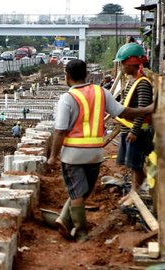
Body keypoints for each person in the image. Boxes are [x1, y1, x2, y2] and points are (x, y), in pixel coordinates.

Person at [46, 59, 153, 242]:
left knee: (77, 192)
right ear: (86, 74)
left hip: (73, 154)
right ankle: (64, 219)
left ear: (67, 76)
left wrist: (53, 156)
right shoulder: (101, 92)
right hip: (95, 153)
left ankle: (81, 231)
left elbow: (60, 130)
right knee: (83, 190)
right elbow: (123, 112)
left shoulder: (67, 98)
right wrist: (146, 109)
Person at [113, 43, 154, 204]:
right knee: (131, 164)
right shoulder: (132, 81)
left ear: (132, 63)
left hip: (136, 132)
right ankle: (132, 192)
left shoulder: (143, 83)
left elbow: (142, 109)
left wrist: (135, 131)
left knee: (136, 165)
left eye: (123, 63)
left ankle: (135, 194)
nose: (122, 67)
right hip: (128, 129)